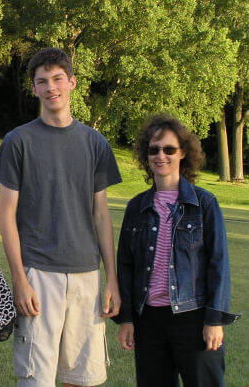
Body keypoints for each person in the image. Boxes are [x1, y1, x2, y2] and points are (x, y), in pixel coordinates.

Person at [0, 47, 122, 386]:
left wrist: (112, 280)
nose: (52, 88)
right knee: (36, 378)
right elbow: (6, 215)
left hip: (86, 275)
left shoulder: (95, 143)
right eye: (42, 81)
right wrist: (19, 279)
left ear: (72, 82)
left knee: (82, 378)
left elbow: (101, 215)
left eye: (58, 79)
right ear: (34, 89)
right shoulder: (17, 141)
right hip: (38, 274)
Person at [113, 115, 240, 386]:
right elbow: (125, 265)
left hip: (193, 318)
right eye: (154, 150)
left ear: (183, 153)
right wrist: (126, 319)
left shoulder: (204, 204)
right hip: (148, 322)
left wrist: (214, 319)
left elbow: (218, 264)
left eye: (169, 149)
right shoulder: (136, 207)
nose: (161, 155)